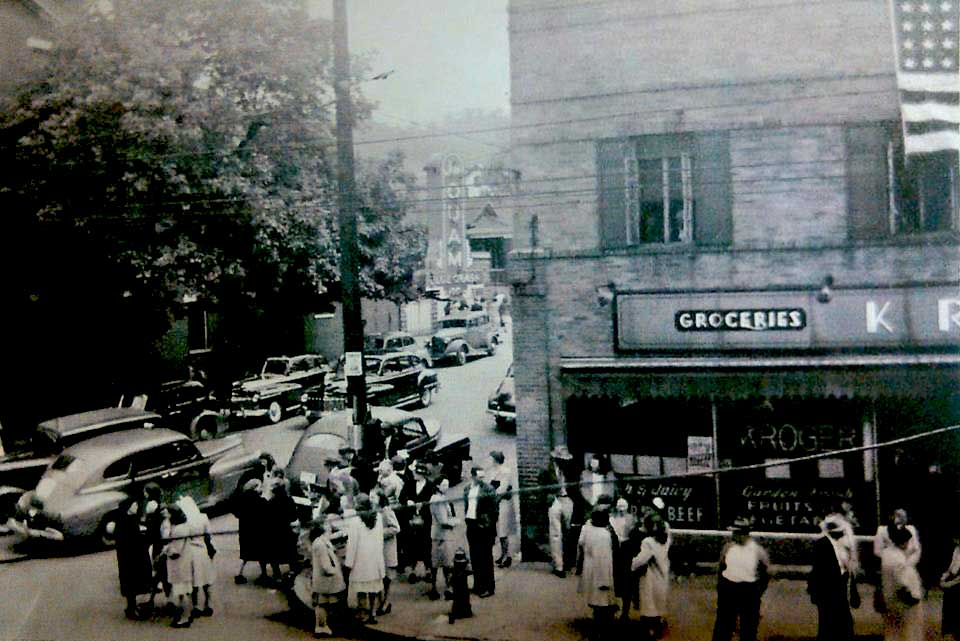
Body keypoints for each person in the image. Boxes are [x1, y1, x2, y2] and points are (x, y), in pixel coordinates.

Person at [711, 517, 770, 641]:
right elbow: (721, 568)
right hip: (728, 590)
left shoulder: (757, 551)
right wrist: (721, 589)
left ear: (743, 533)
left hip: (749, 592)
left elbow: (765, 573)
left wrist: (758, 592)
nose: (733, 535)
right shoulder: (728, 548)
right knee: (723, 628)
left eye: (736, 532)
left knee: (748, 629)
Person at [808, 515, 859, 641]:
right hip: (828, 592)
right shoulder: (821, 545)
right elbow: (817, 572)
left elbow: (848, 570)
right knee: (828, 626)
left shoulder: (840, 546)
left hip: (840, 589)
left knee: (843, 625)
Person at [577, 504, 618, 641]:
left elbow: (581, 544)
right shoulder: (604, 536)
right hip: (601, 574)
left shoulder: (588, 530)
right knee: (603, 604)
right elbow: (604, 560)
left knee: (595, 603)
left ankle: (595, 630)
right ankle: (599, 633)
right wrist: (605, 581)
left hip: (590, 570)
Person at [344, 494, 385, 624]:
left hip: (361, 560)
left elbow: (352, 544)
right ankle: (372, 613)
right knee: (373, 587)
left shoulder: (355, 521)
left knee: (361, 588)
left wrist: (348, 563)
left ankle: (362, 613)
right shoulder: (378, 517)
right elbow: (381, 538)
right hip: (375, 557)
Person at [879, 525, 924, 641]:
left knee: (891, 631)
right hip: (903, 604)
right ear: (903, 542)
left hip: (889, 600)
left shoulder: (886, 554)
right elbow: (902, 585)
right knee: (909, 633)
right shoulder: (900, 560)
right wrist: (914, 599)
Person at [632, 513, 672, 638]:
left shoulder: (648, 542)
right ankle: (659, 628)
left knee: (649, 606)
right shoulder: (666, 540)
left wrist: (630, 564)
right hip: (662, 577)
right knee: (659, 605)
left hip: (650, 579)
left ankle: (649, 632)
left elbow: (640, 560)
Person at [539, 444, 576, 578]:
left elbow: (576, 484)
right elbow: (541, 488)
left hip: (567, 500)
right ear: (555, 458)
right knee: (555, 533)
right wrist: (547, 499)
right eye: (561, 459)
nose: (564, 461)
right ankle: (558, 565)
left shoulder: (570, 469)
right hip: (554, 500)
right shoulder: (546, 470)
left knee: (568, 532)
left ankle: (567, 561)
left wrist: (572, 498)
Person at [114, 495, 153, 619]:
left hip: (129, 558)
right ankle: (131, 608)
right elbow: (133, 540)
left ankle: (131, 607)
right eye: (134, 505)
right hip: (130, 559)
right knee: (132, 583)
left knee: (131, 583)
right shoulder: (127, 522)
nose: (136, 507)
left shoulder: (126, 520)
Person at [463, 465, 498, 598]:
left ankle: (488, 587)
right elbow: (467, 506)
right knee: (475, 556)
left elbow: (494, 510)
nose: (482, 478)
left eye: (483, 476)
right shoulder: (467, 489)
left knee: (486, 557)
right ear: (473, 476)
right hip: (471, 524)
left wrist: (487, 524)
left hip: (484, 527)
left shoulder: (488, 489)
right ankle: (478, 585)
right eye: (479, 476)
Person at [179, 495, 216, 618]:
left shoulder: (185, 521)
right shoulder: (203, 517)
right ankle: (208, 603)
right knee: (206, 577)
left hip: (190, 551)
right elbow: (209, 534)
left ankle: (195, 605)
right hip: (203, 549)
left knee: (194, 579)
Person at [311, 518, 346, 638]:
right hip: (325, 580)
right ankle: (321, 627)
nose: (330, 526)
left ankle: (322, 626)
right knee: (322, 604)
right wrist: (336, 571)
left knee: (323, 604)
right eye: (327, 524)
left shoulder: (322, 540)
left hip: (324, 580)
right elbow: (326, 566)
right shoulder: (321, 544)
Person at [398, 462, 433, 582]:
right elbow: (401, 497)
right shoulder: (409, 484)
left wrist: (423, 505)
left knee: (426, 543)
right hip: (410, 519)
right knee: (410, 543)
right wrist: (408, 501)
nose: (414, 475)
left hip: (425, 520)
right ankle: (411, 570)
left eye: (416, 473)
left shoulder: (430, 486)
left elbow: (432, 502)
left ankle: (428, 570)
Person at [162, 504, 194, 628]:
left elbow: (176, 550)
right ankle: (188, 615)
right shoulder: (183, 527)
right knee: (186, 591)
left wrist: (166, 550)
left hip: (179, 566)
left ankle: (183, 618)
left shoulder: (178, 530)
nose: (166, 515)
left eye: (168, 513)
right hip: (184, 563)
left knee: (181, 593)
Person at [429, 476, 460, 600]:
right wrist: (456, 521)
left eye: (447, 485)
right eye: (444, 485)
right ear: (438, 486)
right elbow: (443, 520)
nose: (446, 487)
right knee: (446, 563)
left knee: (440, 563)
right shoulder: (437, 499)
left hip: (439, 534)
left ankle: (438, 588)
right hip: (442, 535)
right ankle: (444, 588)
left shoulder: (441, 498)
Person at [373, 489, 401, 616]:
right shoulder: (373, 511)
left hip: (387, 549)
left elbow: (396, 528)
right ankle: (381, 603)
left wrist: (380, 533)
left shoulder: (386, 511)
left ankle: (385, 603)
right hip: (377, 549)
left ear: (380, 498)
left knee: (387, 579)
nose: (371, 499)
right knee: (380, 577)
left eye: (373, 497)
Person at [488, 450, 516, 568]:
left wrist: (492, 493)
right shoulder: (496, 471)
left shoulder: (505, 471)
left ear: (496, 459)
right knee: (500, 531)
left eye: (491, 458)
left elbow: (503, 488)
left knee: (503, 531)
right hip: (498, 503)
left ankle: (507, 556)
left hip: (503, 504)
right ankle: (503, 554)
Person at [940, 530, 960, 640]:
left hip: (958, 583)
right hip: (953, 580)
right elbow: (952, 567)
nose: (955, 541)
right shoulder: (956, 549)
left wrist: (949, 584)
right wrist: (944, 576)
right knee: (948, 605)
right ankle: (949, 632)